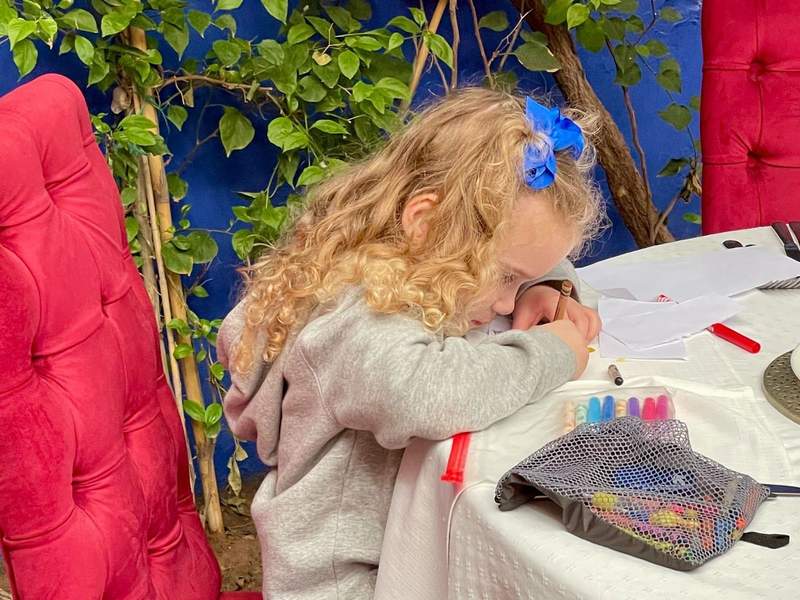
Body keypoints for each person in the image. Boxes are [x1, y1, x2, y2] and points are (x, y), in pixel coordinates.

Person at [218, 86, 604, 599]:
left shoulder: (422, 264)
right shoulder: (357, 314)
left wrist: (546, 286)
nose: (509, 306)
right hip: (347, 582)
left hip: (409, 541)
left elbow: (535, 251)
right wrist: (553, 352)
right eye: (506, 277)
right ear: (424, 221)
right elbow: (424, 393)